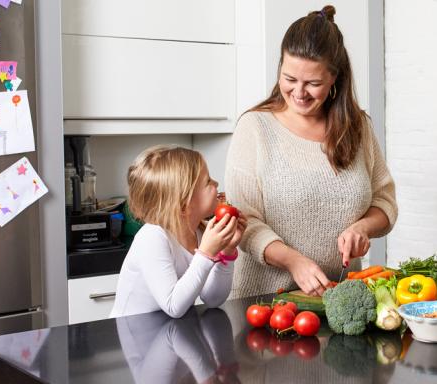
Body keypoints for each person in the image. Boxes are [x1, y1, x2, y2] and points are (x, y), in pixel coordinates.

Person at [225, 5, 397, 298]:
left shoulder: (358, 127)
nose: (299, 92)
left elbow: (385, 201)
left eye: (313, 83)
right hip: (265, 303)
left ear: (334, 78)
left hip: (338, 300)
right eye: (290, 79)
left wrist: (363, 227)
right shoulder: (255, 127)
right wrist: (294, 261)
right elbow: (244, 220)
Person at [110, 145, 246, 318]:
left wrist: (226, 252)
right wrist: (205, 254)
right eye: (208, 182)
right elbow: (173, 306)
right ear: (183, 204)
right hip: (133, 333)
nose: (216, 183)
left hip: (168, 331)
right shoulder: (152, 237)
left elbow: (213, 299)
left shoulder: (200, 231)